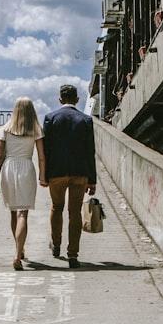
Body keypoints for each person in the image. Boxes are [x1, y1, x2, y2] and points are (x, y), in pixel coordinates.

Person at [42, 84, 97, 268]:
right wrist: (92, 180)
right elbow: (91, 151)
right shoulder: (86, 120)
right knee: (75, 213)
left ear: (60, 99)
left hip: (56, 172)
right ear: (77, 100)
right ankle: (73, 255)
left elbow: (46, 150)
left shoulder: (50, 118)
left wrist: (44, 174)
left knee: (56, 207)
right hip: (80, 173)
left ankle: (56, 246)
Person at [0, 97, 46, 271]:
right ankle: (18, 253)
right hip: (26, 169)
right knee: (23, 214)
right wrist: (42, 176)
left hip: (8, 169)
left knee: (13, 213)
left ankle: (18, 251)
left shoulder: (5, 129)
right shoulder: (36, 129)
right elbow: (42, 156)